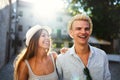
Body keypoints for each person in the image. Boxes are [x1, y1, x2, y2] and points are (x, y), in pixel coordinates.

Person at [56, 13, 111, 80]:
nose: (83, 32)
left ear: (90, 32)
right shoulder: (61, 59)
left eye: (86, 29)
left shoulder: (102, 55)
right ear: (71, 33)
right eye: (78, 29)